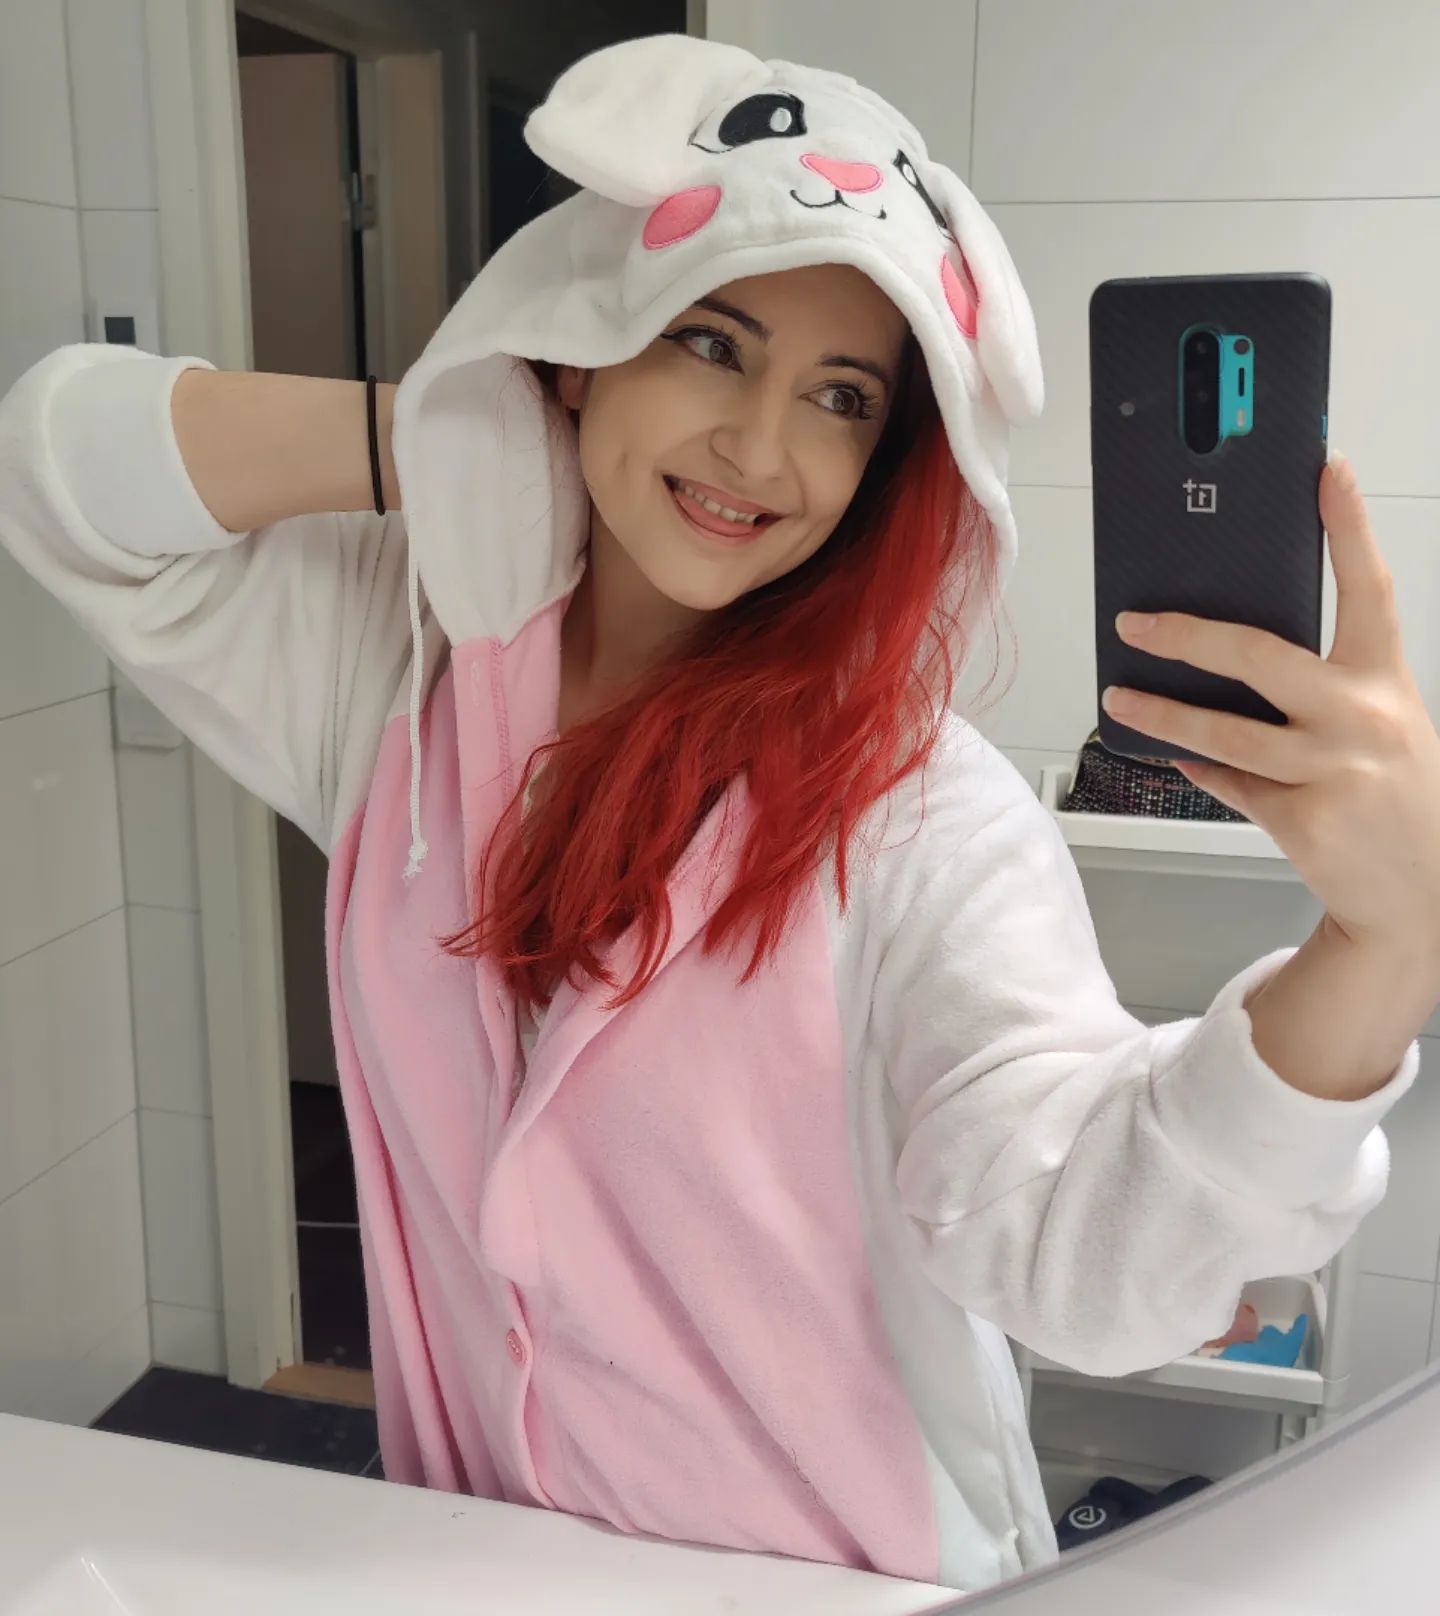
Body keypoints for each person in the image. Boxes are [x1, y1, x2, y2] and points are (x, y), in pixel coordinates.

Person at [0, 32, 1422, 1598]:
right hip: (480, 1564)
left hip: (840, 1582)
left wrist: (1382, 946)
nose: (761, 451)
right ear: (585, 337)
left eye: (841, 398)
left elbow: (1083, 1255)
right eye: (708, 341)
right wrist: (451, 425)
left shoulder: (918, 813)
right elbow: (64, 470)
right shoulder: (399, 668)